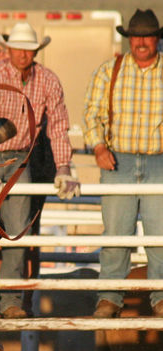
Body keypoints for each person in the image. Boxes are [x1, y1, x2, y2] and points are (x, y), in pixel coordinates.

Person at [0, 22, 79, 318]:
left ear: (34, 51)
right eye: (18, 49)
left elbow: (57, 125)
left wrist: (64, 166)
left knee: (17, 229)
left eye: (28, 50)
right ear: (9, 49)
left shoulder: (48, 80)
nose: (22, 54)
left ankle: (12, 299)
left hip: (21, 159)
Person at [84, 9, 163, 318]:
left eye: (147, 36)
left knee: (160, 238)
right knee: (116, 235)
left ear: (157, 39)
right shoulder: (110, 70)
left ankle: (160, 298)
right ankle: (109, 298)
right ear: (129, 39)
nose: (141, 42)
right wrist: (99, 146)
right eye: (136, 36)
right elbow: (92, 113)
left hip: (159, 162)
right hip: (119, 161)